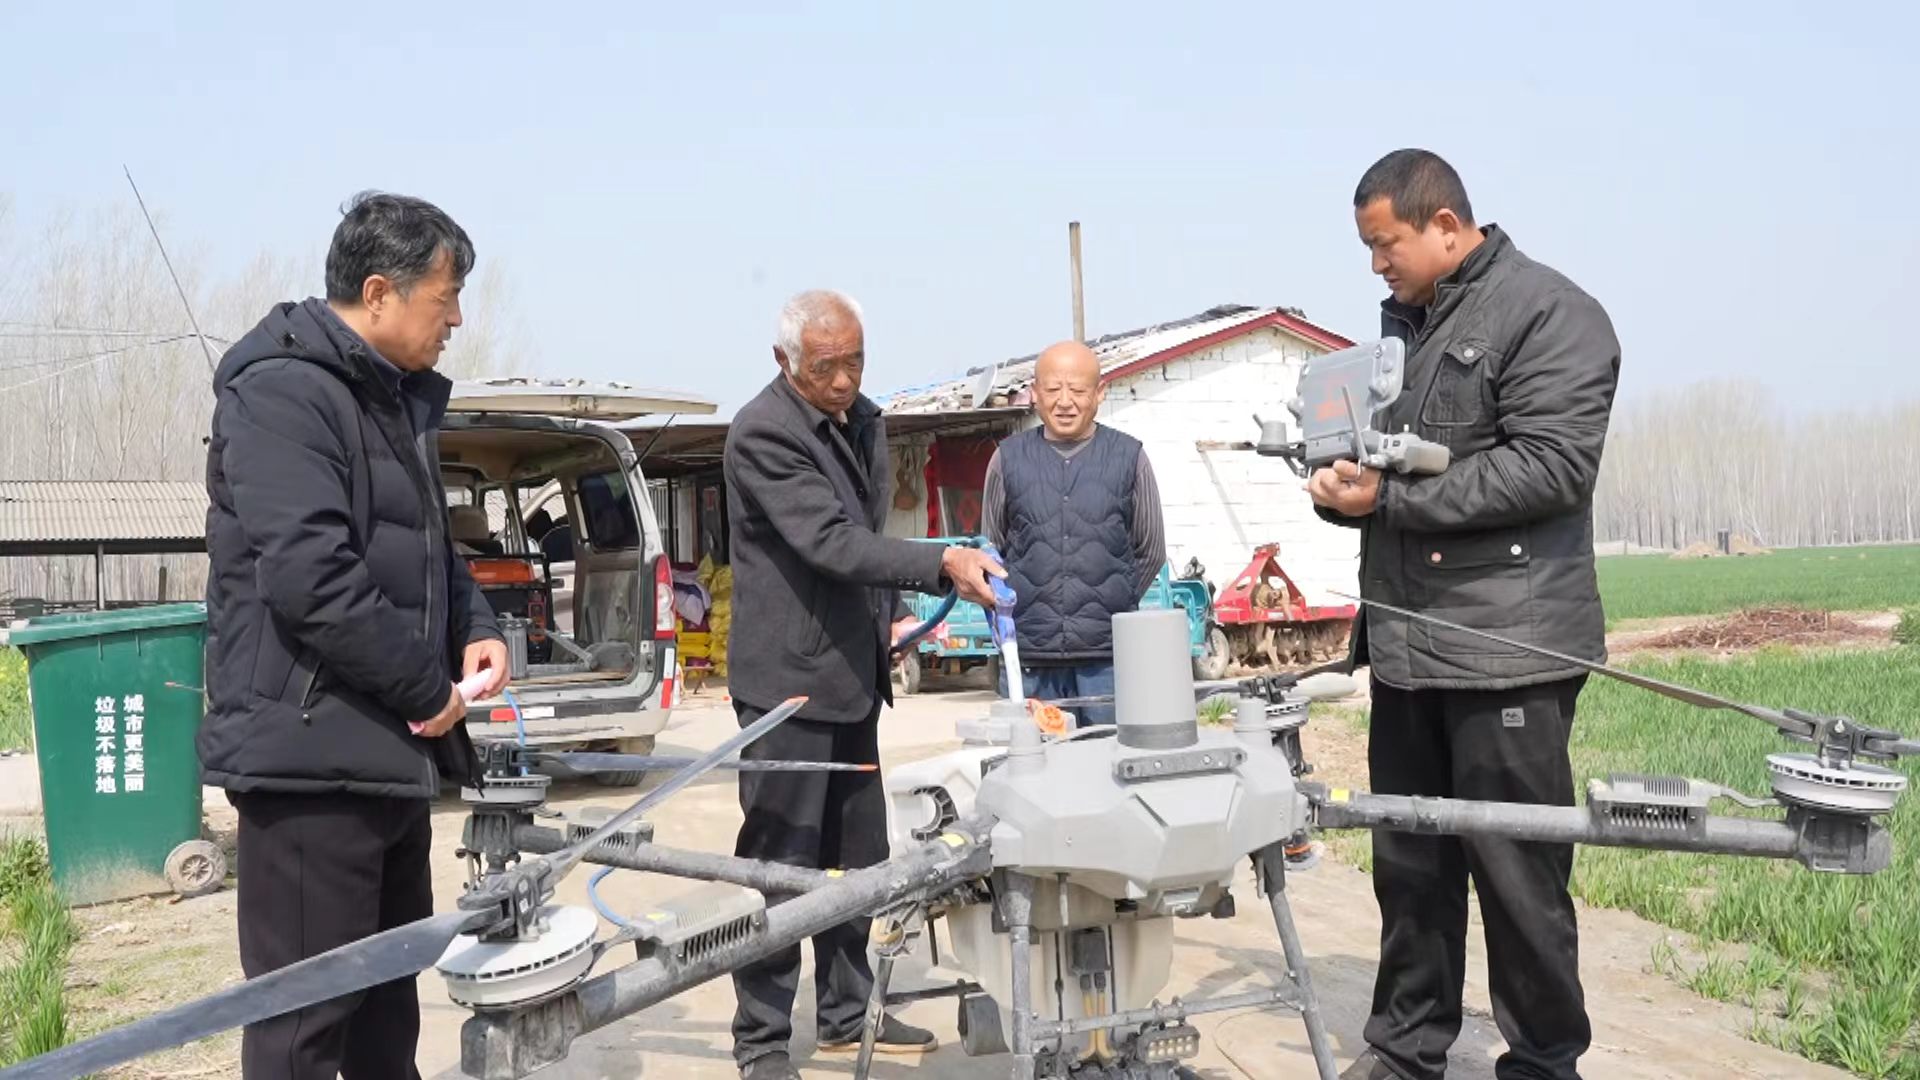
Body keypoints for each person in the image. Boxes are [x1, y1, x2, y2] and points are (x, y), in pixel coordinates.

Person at [1309, 150, 1621, 1080]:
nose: (1377, 265)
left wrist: (1391, 500)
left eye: (1386, 244)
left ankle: (1543, 1061)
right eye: (1368, 249)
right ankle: (1406, 1050)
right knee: (1410, 865)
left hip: (1507, 651)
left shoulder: (1551, 313)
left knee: (1518, 871)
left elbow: (1552, 466)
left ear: (1445, 225)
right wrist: (1343, 490)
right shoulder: (1398, 336)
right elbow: (1385, 466)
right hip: (1407, 647)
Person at [199, 191, 511, 1079]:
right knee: (304, 1024)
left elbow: (426, 545)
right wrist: (427, 689)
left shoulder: (387, 400)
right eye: (446, 298)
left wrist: (476, 625)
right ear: (379, 293)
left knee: (386, 1004)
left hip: (382, 752)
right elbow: (312, 578)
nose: (457, 320)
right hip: (310, 763)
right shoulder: (282, 395)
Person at [723, 288, 1005, 1080]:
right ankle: (761, 1041)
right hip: (787, 684)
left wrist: (889, 613)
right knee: (783, 865)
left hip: (850, 674)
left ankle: (847, 1020)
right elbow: (831, 542)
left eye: (855, 361)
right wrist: (941, 560)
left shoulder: (864, 421)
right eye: (826, 367)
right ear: (785, 362)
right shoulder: (763, 432)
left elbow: (863, 539)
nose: (845, 379)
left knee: (858, 859)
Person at [980, 340, 1166, 726]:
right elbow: (991, 553)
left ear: (1099, 393)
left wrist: (1112, 601)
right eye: (1053, 389)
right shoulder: (1006, 459)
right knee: (1033, 759)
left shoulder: (1129, 457)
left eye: (1078, 390)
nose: (1065, 402)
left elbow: (1150, 550)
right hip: (1030, 660)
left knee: (1108, 756)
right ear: (1035, 393)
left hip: (1109, 660)